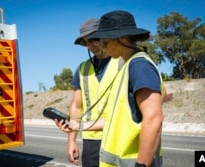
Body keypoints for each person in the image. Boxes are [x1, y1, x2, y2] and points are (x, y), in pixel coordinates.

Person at [69, 10, 164, 167]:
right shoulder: (126, 66)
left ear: (123, 37)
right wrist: (77, 127)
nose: (102, 45)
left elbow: (154, 118)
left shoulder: (139, 65)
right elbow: (116, 118)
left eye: (105, 40)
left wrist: (142, 164)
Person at [55, 18, 122, 167]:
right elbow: (77, 107)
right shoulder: (82, 69)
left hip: (119, 137)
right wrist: (71, 140)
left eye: (94, 39)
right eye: (86, 42)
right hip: (91, 140)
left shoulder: (124, 62)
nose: (90, 45)